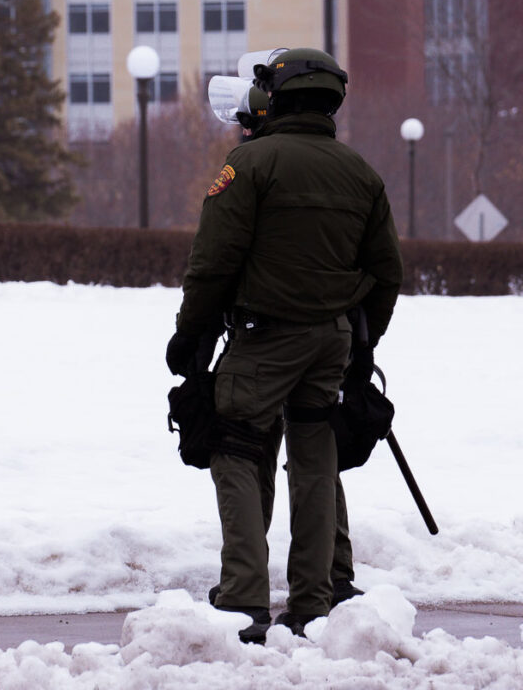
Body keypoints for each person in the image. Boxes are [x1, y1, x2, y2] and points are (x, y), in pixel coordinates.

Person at [167, 47, 403, 643]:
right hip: (333, 341)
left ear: (276, 95)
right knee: (315, 458)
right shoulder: (362, 173)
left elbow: (213, 260)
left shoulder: (250, 164)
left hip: (263, 337)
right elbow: (386, 271)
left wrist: (190, 332)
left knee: (237, 448)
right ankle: (314, 601)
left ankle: (244, 599)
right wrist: (363, 343)